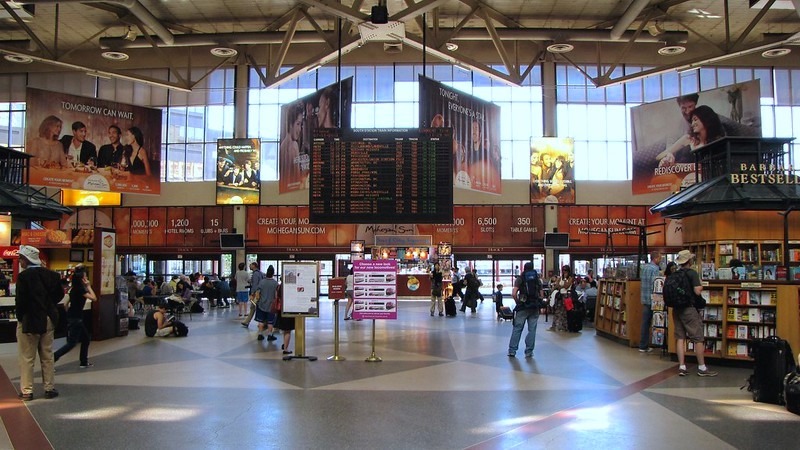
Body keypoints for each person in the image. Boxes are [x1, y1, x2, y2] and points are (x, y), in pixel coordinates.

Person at [15, 245, 62, 400]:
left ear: (26, 259)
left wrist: (20, 316)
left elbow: (20, 301)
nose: (19, 261)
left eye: (20, 258)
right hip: (48, 318)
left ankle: (27, 391)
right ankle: (49, 388)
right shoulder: (52, 275)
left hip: (29, 320)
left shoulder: (23, 277)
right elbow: (59, 295)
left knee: (27, 357)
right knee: (47, 355)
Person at [671, 250, 718, 377]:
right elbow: (697, 291)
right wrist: (701, 287)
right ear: (689, 261)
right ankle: (702, 367)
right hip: (689, 309)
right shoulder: (692, 273)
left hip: (676, 308)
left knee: (680, 337)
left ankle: (681, 366)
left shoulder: (675, 274)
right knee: (698, 338)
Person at [54, 269, 95, 368]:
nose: (86, 279)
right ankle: (54, 357)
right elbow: (94, 298)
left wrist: (70, 313)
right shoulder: (81, 290)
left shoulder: (73, 290)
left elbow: (65, 304)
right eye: (85, 277)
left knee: (85, 339)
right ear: (82, 279)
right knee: (72, 343)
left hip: (72, 317)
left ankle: (83, 362)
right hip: (77, 318)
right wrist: (88, 286)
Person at [507, 262, 542, 358]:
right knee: (532, 330)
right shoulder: (537, 278)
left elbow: (514, 293)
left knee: (517, 328)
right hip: (534, 307)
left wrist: (518, 302)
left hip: (523, 306)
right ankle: (529, 351)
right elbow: (541, 294)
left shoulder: (520, 278)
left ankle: (512, 350)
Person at [639, 251, 662, 353]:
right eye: (660, 258)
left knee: (645, 323)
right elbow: (656, 284)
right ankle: (655, 343)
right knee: (656, 322)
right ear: (656, 258)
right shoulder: (655, 269)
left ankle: (642, 345)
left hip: (644, 298)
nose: (660, 260)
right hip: (653, 299)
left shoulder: (644, 268)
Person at [279, 105, 304, 191]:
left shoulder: (282, 145)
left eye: (301, 124)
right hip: (293, 194)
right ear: (290, 124)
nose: (300, 129)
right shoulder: (294, 146)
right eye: (297, 124)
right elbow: (297, 179)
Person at [253, 265, 279, 342]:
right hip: (271, 306)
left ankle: (260, 334)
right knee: (270, 321)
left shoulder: (262, 282)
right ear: (273, 273)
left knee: (260, 321)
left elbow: (257, 292)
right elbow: (276, 295)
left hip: (261, 304)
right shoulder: (275, 283)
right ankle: (270, 335)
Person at [549, 265, 573, 332]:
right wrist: (560, 286)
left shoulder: (570, 278)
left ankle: (564, 326)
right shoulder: (560, 278)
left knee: (564, 312)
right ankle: (556, 325)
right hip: (560, 295)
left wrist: (564, 280)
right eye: (563, 270)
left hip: (567, 296)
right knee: (558, 310)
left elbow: (566, 286)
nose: (564, 272)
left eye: (566, 270)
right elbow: (557, 285)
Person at [242, 262, 264, 327]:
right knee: (257, 307)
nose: (249, 266)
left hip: (256, 293)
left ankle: (247, 321)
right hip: (261, 293)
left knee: (253, 307)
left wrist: (252, 293)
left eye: (251, 265)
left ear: (254, 266)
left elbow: (255, 284)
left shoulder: (255, 274)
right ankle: (248, 321)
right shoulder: (260, 273)